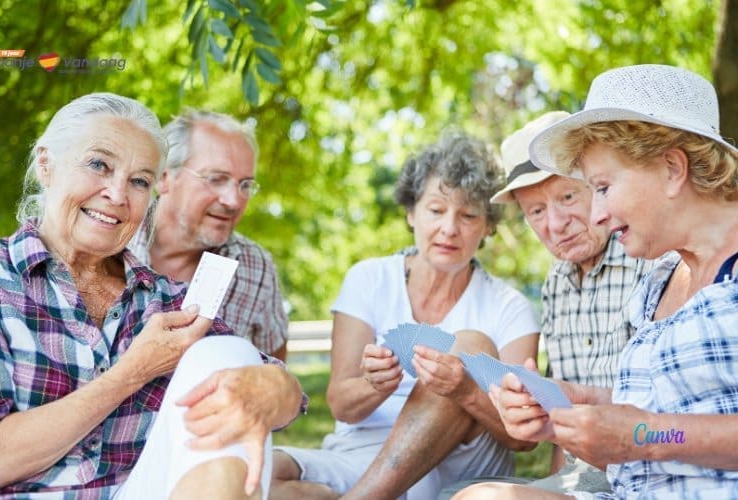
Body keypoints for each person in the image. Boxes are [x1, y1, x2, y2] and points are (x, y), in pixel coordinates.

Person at [0, 93, 305, 499]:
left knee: (225, 355)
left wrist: (275, 388)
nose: (117, 194)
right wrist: (134, 371)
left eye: (139, 181)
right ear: (46, 164)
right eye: (99, 165)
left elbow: (284, 388)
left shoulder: (163, 300)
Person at [455, 64, 738, 499]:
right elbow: (658, 409)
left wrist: (648, 437)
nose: (595, 215)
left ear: (671, 168)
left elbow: (654, 430)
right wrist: (566, 405)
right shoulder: (660, 281)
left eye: (602, 187)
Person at [271, 129, 541, 499]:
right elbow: (341, 406)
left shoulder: (510, 307)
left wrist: (465, 389)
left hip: (455, 462)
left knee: (468, 346)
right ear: (412, 213)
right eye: (435, 210)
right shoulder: (368, 278)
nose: (449, 228)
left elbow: (523, 438)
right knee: (259, 474)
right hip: (360, 456)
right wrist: (373, 384)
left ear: (488, 226)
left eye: (468, 215)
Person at [438, 112, 653, 499]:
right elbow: (563, 425)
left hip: (641, 467)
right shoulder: (557, 280)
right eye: (536, 211)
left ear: (598, 186)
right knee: (451, 491)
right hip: (580, 475)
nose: (556, 224)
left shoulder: (647, 258)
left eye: (568, 197)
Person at [129, 110, 288, 360]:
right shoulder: (111, 238)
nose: (233, 201)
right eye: (216, 179)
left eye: (245, 185)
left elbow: (274, 372)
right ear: (164, 177)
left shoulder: (254, 265)